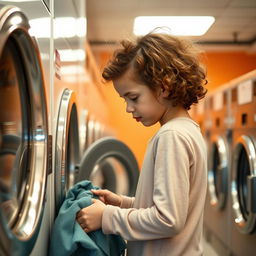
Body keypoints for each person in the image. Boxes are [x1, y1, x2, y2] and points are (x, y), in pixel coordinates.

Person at [76, 32, 208, 256]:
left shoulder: (171, 136)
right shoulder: (187, 130)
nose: (128, 108)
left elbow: (167, 220)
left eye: (133, 97)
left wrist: (106, 217)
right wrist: (122, 203)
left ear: (163, 87)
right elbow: (169, 206)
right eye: (124, 99)